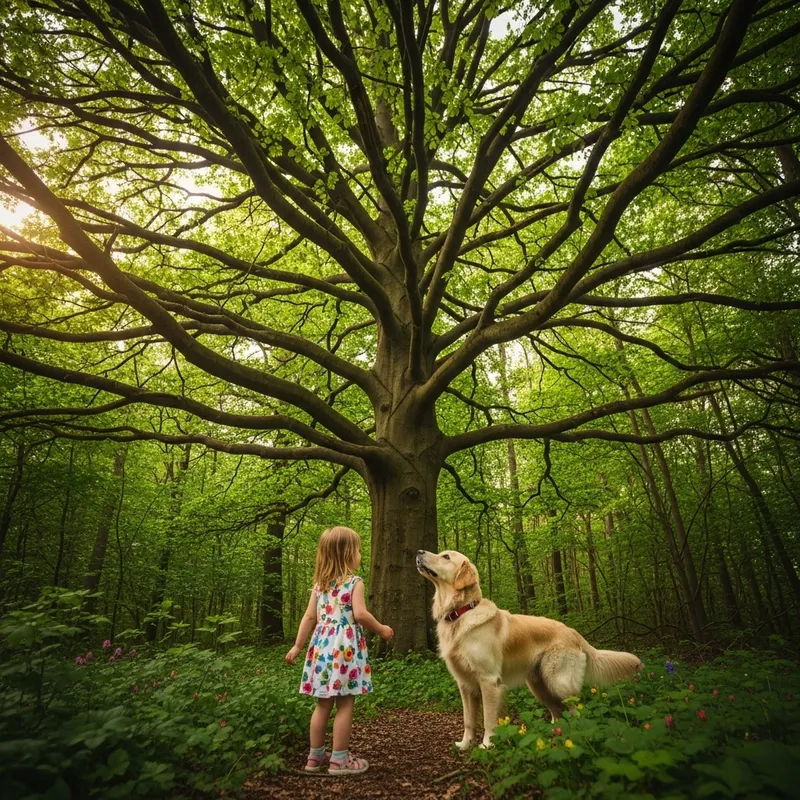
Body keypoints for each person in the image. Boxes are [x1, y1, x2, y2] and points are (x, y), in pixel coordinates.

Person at [285, 526, 393, 774]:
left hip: (322, 647)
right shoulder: (355, 583)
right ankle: (340, 760)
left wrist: (297, 646)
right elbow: (361, 615)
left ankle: (315, 757)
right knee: (345, 704)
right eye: (357, 550)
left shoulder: (319, 586)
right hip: (343, 649)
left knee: (322, 705)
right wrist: (382, 629)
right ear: (347, 553)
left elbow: (309, 617)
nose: (360, 554)